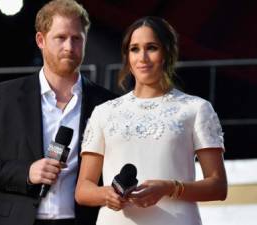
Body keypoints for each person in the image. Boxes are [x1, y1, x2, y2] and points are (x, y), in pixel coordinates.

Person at [0, 1, 116, 225]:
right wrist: (26, 172)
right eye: (60, 38)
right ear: (41, 40)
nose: (69, 47)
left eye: (77, 38)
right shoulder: (6, 96)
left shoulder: (107, 103)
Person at [75, 16, 227, 225]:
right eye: (135, 49)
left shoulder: (196, 109)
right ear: (127, 56)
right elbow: (83, 189)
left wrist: (169, 187)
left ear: (166, 53)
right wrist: (106, 194)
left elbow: (218, 186)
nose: (142, 57)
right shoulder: (104, 112)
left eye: (152, 48)